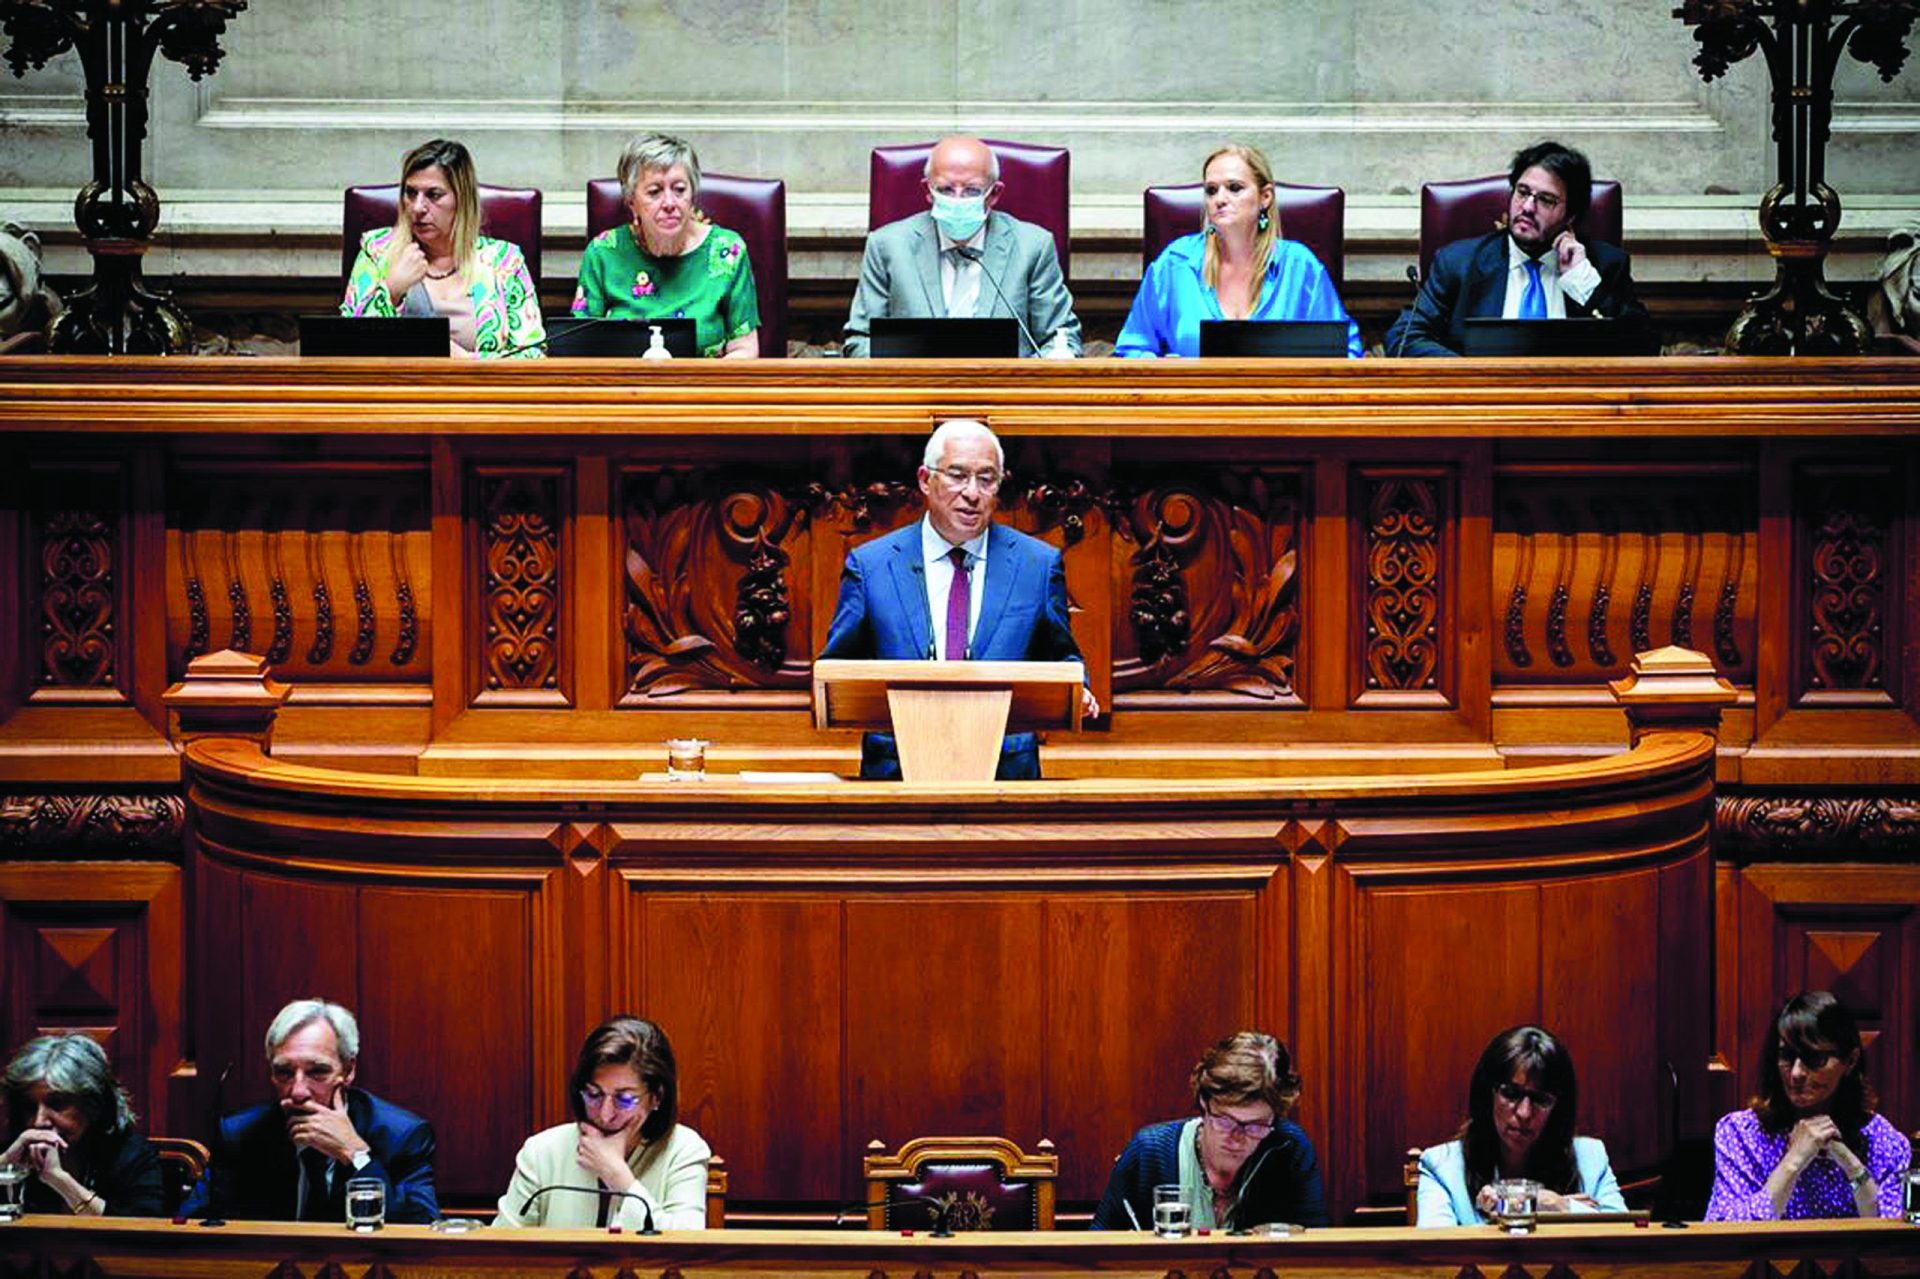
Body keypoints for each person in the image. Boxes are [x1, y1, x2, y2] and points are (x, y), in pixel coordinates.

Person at [818, 418, 1096, 779]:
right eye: (957, 475)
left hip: (1006, 776)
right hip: (896, 774)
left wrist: (1080, 689)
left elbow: (1063, 655)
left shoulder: (1037, 566)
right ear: (924, 480)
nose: (972, 492)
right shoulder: (872, 565)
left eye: (986, 478)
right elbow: (837, 670)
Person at [181, 998, 437, 1222]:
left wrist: (356, 1154)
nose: (298, 1092)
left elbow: (421, 1231)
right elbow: (191, 1227)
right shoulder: (241, 1135)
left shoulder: (401, 1136)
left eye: (317, 1072)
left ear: (348, 1070)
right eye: (284, 1072)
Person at [1384, 140, 1647, 357]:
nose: (1527, 207)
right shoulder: (1458, 263)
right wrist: (1472, 375)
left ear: (1571, 216)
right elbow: (1404, 337)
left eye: (1546, 200)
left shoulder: (1604, 265)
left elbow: (1642, 346)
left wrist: (1582, 282)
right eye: (1522, 192)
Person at [842, 134, 1080, 358]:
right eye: (946, 189)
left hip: (1005, 395)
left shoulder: (1033, 247)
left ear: (994, 194)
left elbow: (1060, 337)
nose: (957, 199)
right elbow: (860, 340)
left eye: (971, 190)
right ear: (928, 191)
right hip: (915, 394)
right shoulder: (887, 246)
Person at [1116, 144, 1361, 358]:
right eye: (1211, 190)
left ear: (1265, 197)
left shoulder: (1300, 267)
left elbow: (1345, 352)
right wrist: (1160, 368)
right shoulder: (1174, 264)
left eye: (1234, 188)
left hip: (1281, 406)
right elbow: (1131, 348)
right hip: (1191, 405)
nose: (1220, 199)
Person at [1705, 991, 1912, 1220]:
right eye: (1786, 1056)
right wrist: (1794, 1161)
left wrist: (1851, 1165)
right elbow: (1727, 1235)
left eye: (1814, 1059)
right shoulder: (1741, 1134)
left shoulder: (1882, 1140)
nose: (1796, 1073)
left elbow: (1889, 1240)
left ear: (1850, 1061)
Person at [1093, 1031, 1326, 1231]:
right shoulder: (1149, 1152)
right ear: (1204, 1105)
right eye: (1224, 1120)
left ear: (1275, 1117)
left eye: (1255, 1126)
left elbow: (1316, 1257)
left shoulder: (1290, 1149)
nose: (1237, 1138)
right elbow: (1095, 1255)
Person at [492, 1016, 710, 1230]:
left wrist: (618, 1176)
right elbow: (498, 1252)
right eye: (594, 1094)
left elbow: (687, 1244)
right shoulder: (542, 1151)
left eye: (624, 1099)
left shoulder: (684, 1150)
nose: (605, 1115)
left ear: (656, 1097)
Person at [341, 138, 544, 359]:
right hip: (398, 390)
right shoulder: (378, 251)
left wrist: (464, 361)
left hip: (479, 391)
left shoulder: (504, 261)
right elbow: (345, 349)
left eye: (433, 195)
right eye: (410, 193)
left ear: (462, 199)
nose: (418, 207)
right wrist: (391, 291)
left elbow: (533, 354)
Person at [572, 133, 760, 358]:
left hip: (705, 388)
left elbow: (744, 350)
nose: (670, 203)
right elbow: (580, 349)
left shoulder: (727, 251)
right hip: (622, 389)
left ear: (692, 195)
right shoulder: (603, 252)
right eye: (654, 192)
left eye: (679, 189)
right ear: (632, 201)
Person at [1415, 1025, 1625, 1226]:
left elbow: (1626, 1239)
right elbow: (1436, 1253)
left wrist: (1558, 1205)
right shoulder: (1442, 1167)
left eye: (1541, 1099)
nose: (1524, 1113)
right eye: (1510, 1094)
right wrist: (1516, 1207)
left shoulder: (1591, 1158)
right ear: (1487, 1094)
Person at [1, 1033, 163, 1216]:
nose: (39, 1122)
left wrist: (59, 1179)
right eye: (29, 1107)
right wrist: (6, 1164)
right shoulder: (13, 1152)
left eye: (56, 1104)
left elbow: (139, 1235)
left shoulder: (132, 1157)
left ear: (92, 1104)